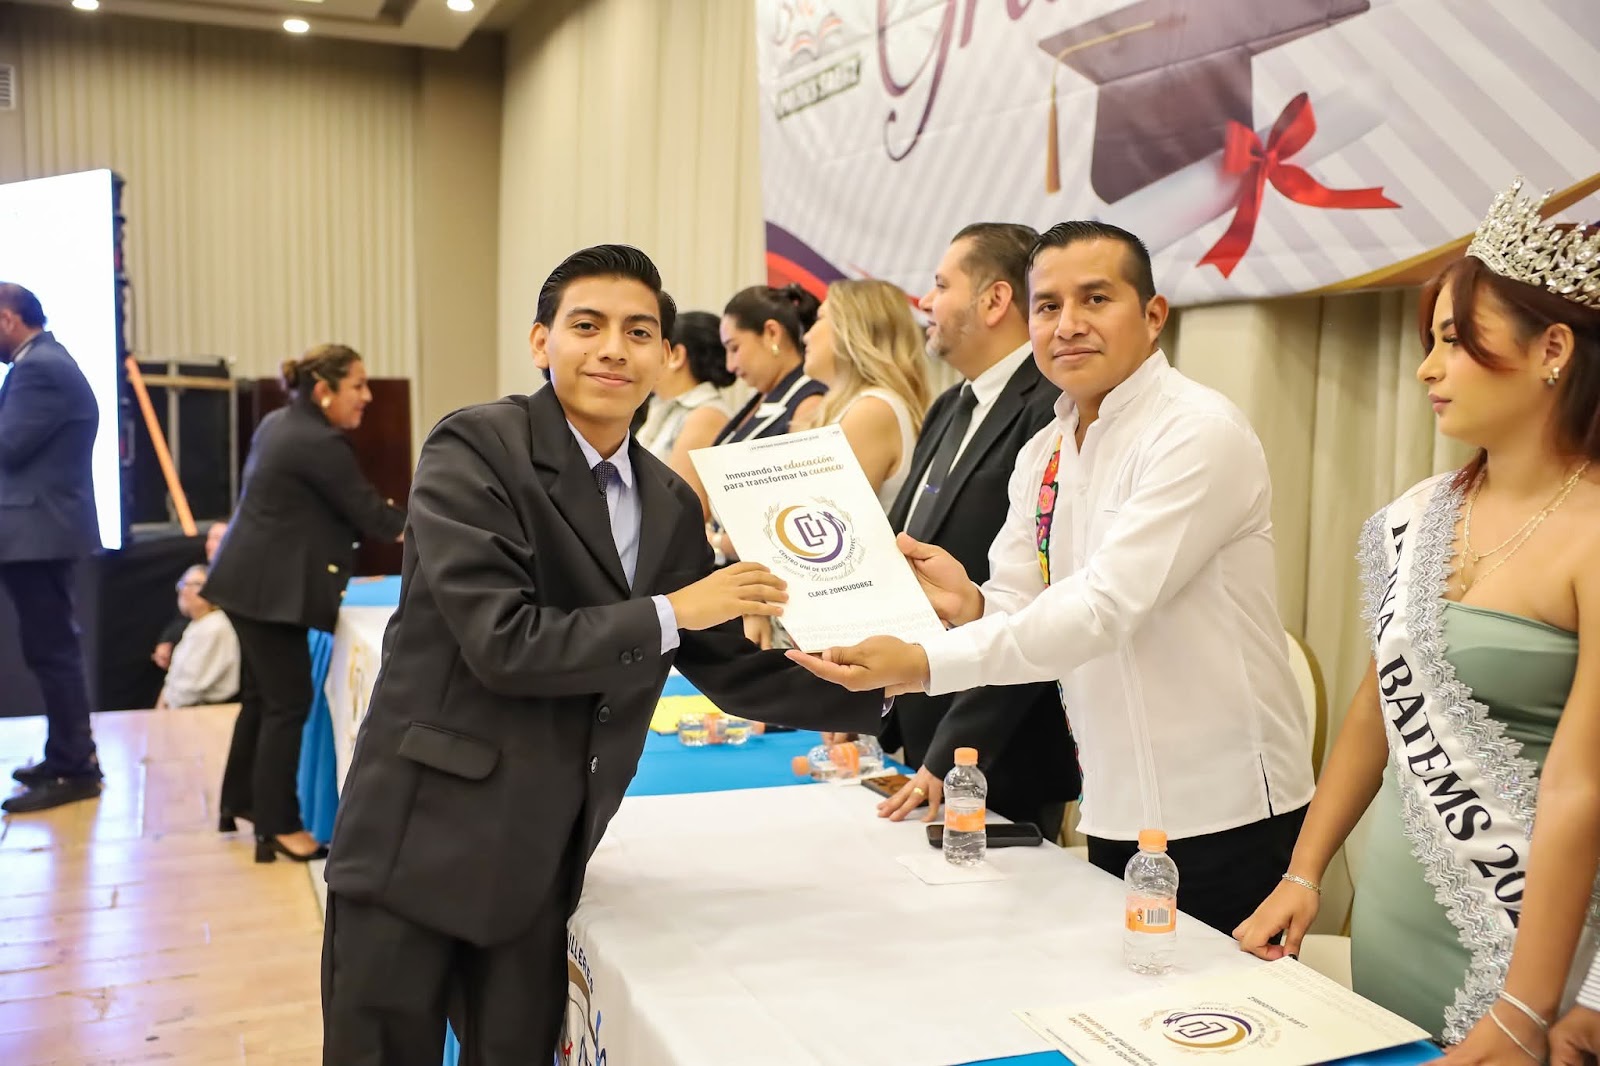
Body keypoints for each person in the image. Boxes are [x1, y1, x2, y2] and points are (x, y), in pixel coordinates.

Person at [319, 245, 889, 1066]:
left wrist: (897, 681)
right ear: (540, 341)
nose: (614, 349)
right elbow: (503, 643)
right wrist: (675, 610)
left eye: (638, 331)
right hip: (420, 841)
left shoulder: (668, 500)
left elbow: (729, 666)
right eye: (587, 326)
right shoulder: (476, 448)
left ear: (665, 356)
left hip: (543, 858)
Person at [789, 221, 1313, 936]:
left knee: (1218, 1003)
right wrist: (972, 602)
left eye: (1095, 299)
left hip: (1225, 806)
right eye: (1048, 306)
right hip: (1115, 799)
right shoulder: (1045, 449)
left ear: (1153, 315)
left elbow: (1102, 609)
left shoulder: (1196, 431)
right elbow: (1022, 600)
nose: (1068, 325)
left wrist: (920, 663)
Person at [1235, 179, 1600, 1057]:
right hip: (1393, 923)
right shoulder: (1423, 512)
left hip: (1532, 954)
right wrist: (1305, 872)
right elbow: (1377, 706)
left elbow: (1580, 785)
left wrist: (1527, 1007)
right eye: (1429, 342)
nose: (1427, 369)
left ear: (1552, 349)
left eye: (1453, 341)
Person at [868, 223, 1080, 841]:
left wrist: (956, 753)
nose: (925, 302)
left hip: (999, 746)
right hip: (921, 719)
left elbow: (1037, 602)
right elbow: (904, 547)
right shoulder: (949, 405)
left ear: (994, 300)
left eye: (941, 285)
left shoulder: (1053, 407)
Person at [203, 343, 405, 862]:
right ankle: (278, 825)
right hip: (267, 592)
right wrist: (439, 521)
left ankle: (241, 802)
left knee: (262, 697)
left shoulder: (280, 424)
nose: (366, 397)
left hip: (250, 583)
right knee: (287, 702)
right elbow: (371, 514)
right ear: (323, 391)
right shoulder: (318, 442)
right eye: (357, 385)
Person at [0, 282, 104, 814]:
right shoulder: (43, 361)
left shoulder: (38, 368)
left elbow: (8, 446)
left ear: (7, 318)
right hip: (38, 533)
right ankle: (65, 755)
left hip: (36, 535)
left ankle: (74, 767)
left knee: (54, 653)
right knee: (51, 651)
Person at [798, 278, 931, 509]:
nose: (806, 336)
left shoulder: (873, 410)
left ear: (851, 328)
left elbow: (824, 513)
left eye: (820, 318)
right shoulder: (865, 406)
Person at [155, 565, 240, 709]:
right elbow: (174, 680)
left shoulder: (214, 626)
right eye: (183, 584)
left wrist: (163, 713)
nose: (185, 590)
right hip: (183, 712)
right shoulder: (198, 624)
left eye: (195, 584)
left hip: (204, 714)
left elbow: (188, 691)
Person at [152, 520, 228, 672]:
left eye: (217, 538)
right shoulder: (201, 572)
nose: (209, 545)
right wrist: (168, 639)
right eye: (209, 538)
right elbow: (182, 617)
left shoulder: (239, 581)